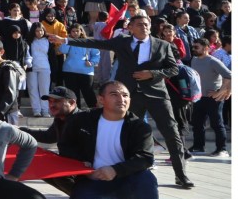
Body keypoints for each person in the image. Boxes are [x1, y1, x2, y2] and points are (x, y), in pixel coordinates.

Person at [49, 13, 193, 188]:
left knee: (172, 134)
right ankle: (123, 171)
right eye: (139, 24)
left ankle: (181, 175)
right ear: (130, 27)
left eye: (146, 24)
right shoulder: (121, 42)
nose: (144, 27)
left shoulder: (162, 45)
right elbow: (95, 42)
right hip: (128, 96)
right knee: (124, 133)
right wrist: (64, 40)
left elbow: (173, 69)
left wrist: (153, 74)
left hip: (156, 95)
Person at [57, 81, 158, 199]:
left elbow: (145, 158)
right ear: (101, 99)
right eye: (114, 94)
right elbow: (65, 146)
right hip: (91, 181)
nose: (121, 99)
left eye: (125, 95)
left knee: (146, 178)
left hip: (127, 181)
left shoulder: (140, 127)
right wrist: (82, 165)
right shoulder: (81, 120)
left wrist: (115, 170)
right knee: (81, 198)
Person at [18, 86, 82, 196]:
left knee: (59, 174)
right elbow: (49, 136)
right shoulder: (60, 118)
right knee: (39, 166)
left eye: (56, 101)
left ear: (72, 103)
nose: (51, 105)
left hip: (85, 166)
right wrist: (20, 132)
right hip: (68, 162)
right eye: (50, 101)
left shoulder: (82, 120)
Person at [187, 38, 231, 156]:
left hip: (213, 99)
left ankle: (222, 149)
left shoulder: (213, 61)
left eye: (196, 47)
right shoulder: (194, 60)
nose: (193, 49)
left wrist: (221, 91)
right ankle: (198, 146)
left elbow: (229, 75)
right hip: (198, 97)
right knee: (197, 123)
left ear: (206, 48)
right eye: (193, 47)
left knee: (217, 123)